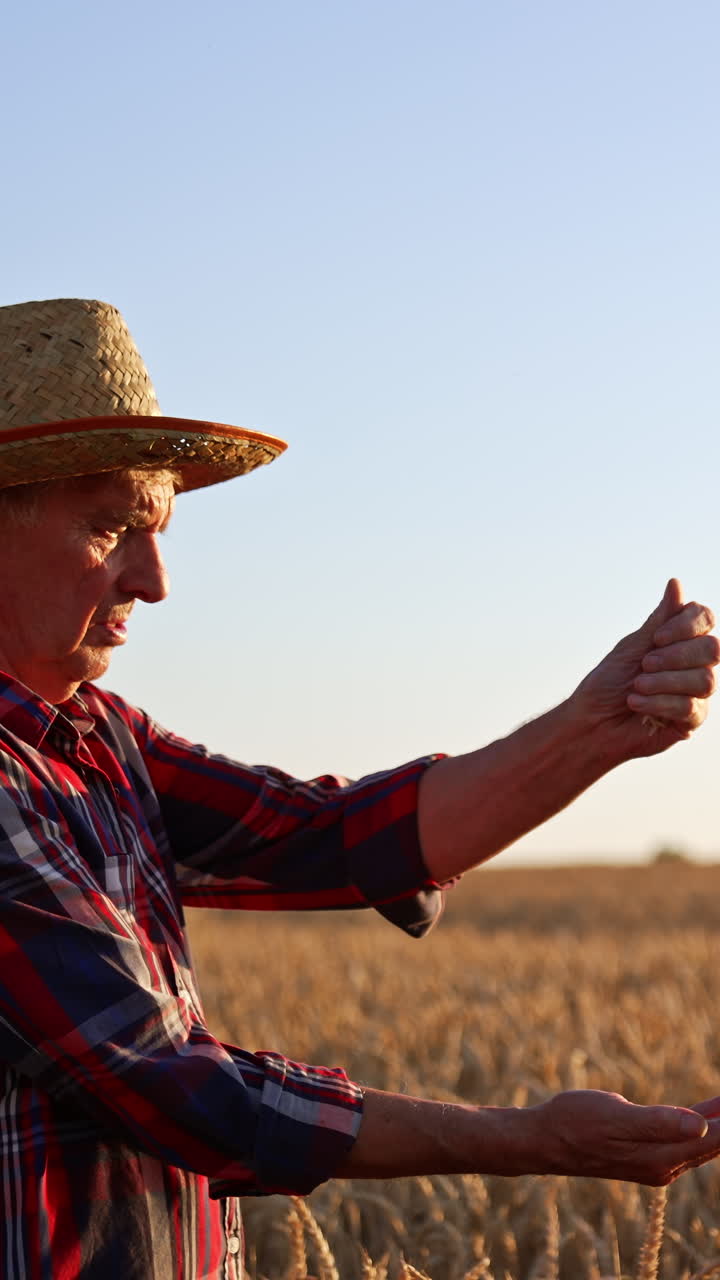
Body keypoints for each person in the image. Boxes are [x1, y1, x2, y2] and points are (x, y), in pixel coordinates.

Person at [0, 296, 718, 1280]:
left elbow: (339, 835)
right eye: (112, 525)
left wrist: (596, 726)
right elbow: (172, 1085)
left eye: (156, 528)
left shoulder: (98, 738)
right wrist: (533, 1141)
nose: (155, 579)